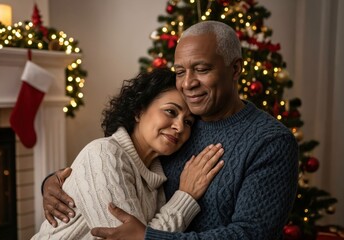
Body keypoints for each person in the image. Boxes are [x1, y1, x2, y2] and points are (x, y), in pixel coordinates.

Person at [42, 21, 299, 239]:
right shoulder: (181, 129)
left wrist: (148, 237)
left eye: (202, 69)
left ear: (235, 69)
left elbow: (250, 235)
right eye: (180, 71)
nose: (188, 83)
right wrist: (56, 181)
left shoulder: (270, 141)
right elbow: (114, 164)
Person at [33, 68, 225, 239]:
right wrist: (186, 197)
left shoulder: (155, 179)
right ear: (138, 111)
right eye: (171, 112)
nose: (179, 126)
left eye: (189, 122)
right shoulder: (103, 154)